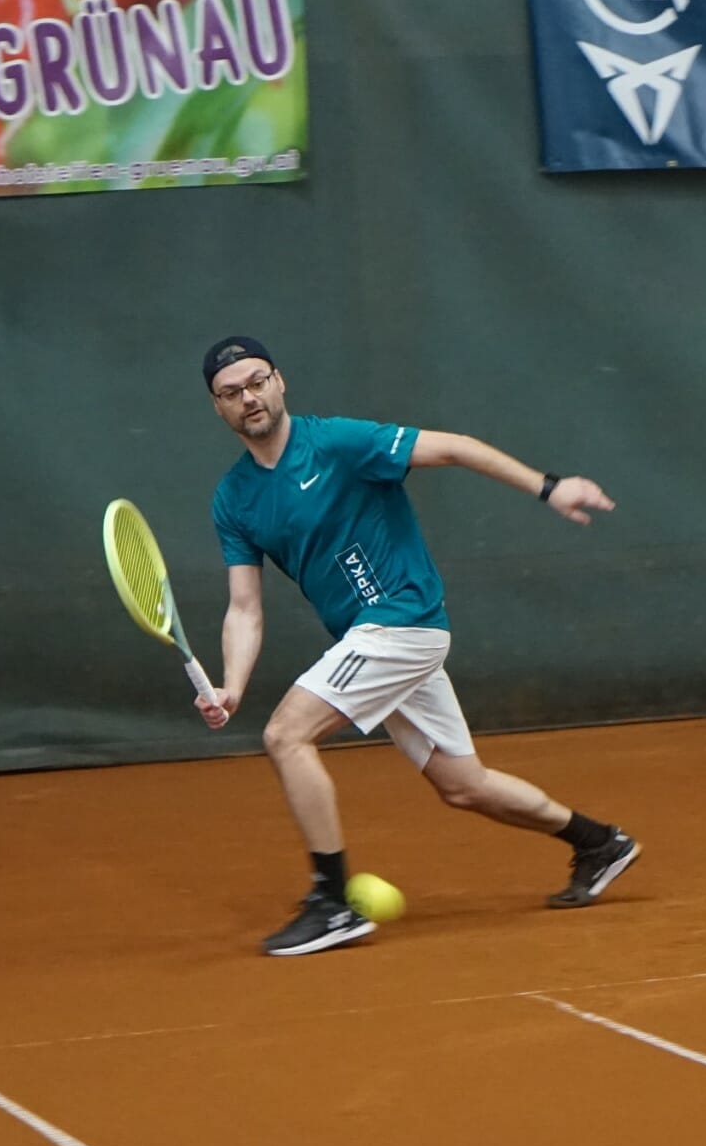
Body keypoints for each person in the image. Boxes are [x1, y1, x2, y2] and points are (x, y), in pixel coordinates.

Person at [195, 334, 642, 956]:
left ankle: (332, 904)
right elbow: (245, 608)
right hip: (371, 638)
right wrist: (232, 685)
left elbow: (455, 448)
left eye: (257, 381)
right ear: (218, 406)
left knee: (286, 735)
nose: (249, 397)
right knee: (463, 785)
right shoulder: (233, 499)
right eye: (231, 392)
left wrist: (549, 487)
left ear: (280, 381)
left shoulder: (338, 442)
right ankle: (599, 843)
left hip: (402, 620)